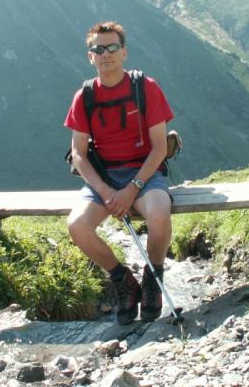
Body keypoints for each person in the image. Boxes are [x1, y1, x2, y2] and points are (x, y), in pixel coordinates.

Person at [64, 21, 174, 324]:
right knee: (77, 226)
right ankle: (122, 279)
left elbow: (160, 148)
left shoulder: (146, 88)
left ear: (124, 52)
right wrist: (106, 191)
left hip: (145, 173)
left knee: (159, 213)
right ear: (90, 57)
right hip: (104, 178)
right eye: (98, 49)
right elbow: (78, 154)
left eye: (112, 47)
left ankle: (153, 277)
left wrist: (132, 188)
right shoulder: (84, 96)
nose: (105, 54)